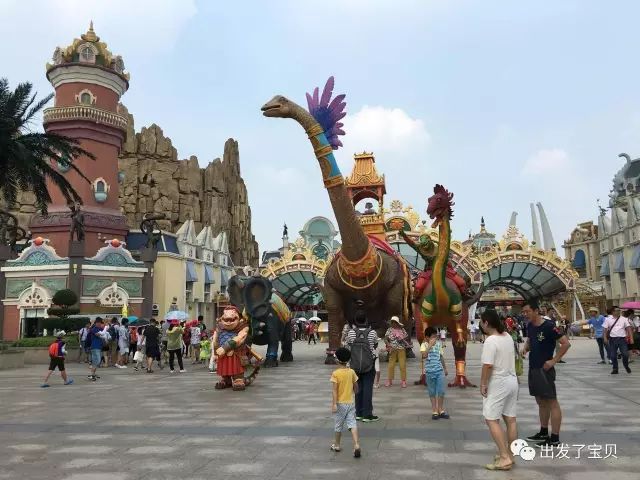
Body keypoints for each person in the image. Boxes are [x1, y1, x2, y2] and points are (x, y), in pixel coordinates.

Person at [521, 300, 571, 447]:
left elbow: (566, 343)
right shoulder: (530, 326)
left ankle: (554, 438)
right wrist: (526, 348)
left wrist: (554, 361)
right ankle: (543, 432)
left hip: (545, 369)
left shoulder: (549, 326)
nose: (525, 314)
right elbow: (531, 340)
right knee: (541, 402)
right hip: (533, 367)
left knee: (552, 402)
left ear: (536, 311)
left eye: (527, 311)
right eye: (523, 312)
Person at [479, 309, 518, 471]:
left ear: (486, 323)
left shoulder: (490, 340)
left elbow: (488, 365)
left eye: (481, 321)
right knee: (510, 419)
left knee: (491, 419)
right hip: (512, 380)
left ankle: (504, 458)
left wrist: (483, 383)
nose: (480, 324)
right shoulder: (507, 336)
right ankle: (510, 454)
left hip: (499, 382)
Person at [346, 309, 380, 423]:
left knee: (357, 389)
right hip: (369, 365)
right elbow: (375, 344)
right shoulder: (372, 332)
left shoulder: (351, 332)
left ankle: (359, 413)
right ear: (366, 320)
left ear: (355, 320)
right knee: (367, 389)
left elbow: (348, 345)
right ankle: (367, 414)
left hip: (354, 365)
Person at [330, 347, 361, 458]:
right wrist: (356, 391)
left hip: (340, 403)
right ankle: (356, 444)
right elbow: (356, 386)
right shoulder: (351, 372)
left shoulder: (336, 374)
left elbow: (334, 390)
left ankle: (337, 444)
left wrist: (334, 404)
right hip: (350, 402)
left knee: (338, 425)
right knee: (352, 424)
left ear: (337, 360)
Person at [420, 326, 449, 420]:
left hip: (439, 371)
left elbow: (441, 357)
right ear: (427, 337)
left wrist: (445, 369)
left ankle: (441, 409)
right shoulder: (424, 345)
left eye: (436, 336)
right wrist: (429, 346)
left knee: (441, 391)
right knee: (432, 392)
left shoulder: (438, 345)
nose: (435, 339)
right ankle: (434, 410)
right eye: (433, 337)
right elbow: (424, 356)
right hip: (429, 372)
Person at [604, 307, 633, 375]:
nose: (618, 312)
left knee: (625, 354)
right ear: (612, 312)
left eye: (619, 310)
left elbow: (629, 329)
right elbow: (605, 329)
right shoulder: (608, 319)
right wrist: (605, 338)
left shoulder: (624, 319)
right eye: (616, 311)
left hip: (622, 339)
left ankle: (626, 366)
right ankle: (615, 368)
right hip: (612, 339)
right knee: (613, 356)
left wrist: (631, 338)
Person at [384, 316, 410, 388]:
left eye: (395, 322)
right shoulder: (389, 330)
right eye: (392, 322)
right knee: (391, 365)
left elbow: (406, 337)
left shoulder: (402, 329)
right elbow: (385, 339)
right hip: (392, 349)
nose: (393, 324)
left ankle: (403, 381)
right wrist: (388, 345)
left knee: (402, 365)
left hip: (401, 349)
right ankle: (389, 380)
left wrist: (402, 337)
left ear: (397, 323)